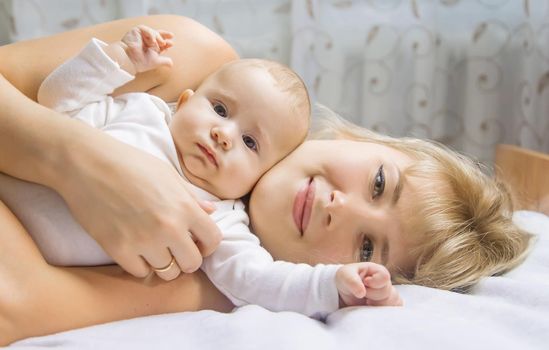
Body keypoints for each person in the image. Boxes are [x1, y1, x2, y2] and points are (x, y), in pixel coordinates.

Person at [0, 16, 532, 345]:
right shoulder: (195, 67)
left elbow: (11, 306)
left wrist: (332, 291)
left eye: (367, 245)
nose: (338, 209)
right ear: (359, 138)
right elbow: (58, 96)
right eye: (376, 183)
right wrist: (79, 158)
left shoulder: (211, 261)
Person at [5, 22, 402, 318]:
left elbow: (257, 281)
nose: (224, 135)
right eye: (220, 109)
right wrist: (114, 62)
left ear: (259, 174)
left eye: (250, 143)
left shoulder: (220, 221)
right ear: (185, 100)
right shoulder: (142, 110)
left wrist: (331, 285)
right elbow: (55, 103)